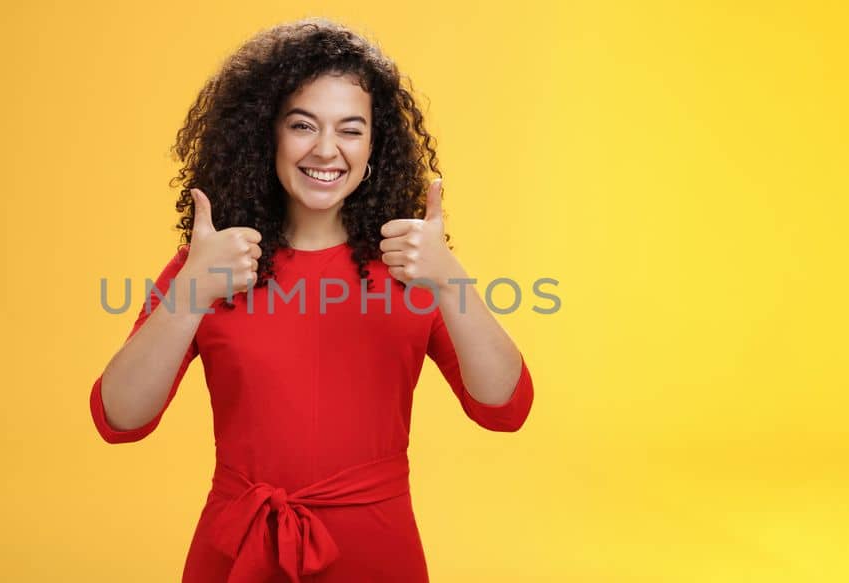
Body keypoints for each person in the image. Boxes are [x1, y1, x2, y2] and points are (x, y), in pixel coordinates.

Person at [88, 17, 535, 583]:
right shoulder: (213, 263)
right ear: (267, 134)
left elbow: (504, 408)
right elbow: (118, 417)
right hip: (239, 549)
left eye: (351, 129)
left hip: (377, 554)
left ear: (375, 144)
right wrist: (188, 294)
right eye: (303, 125)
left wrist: (453, 282)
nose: (327, 150)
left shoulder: (415, 265)